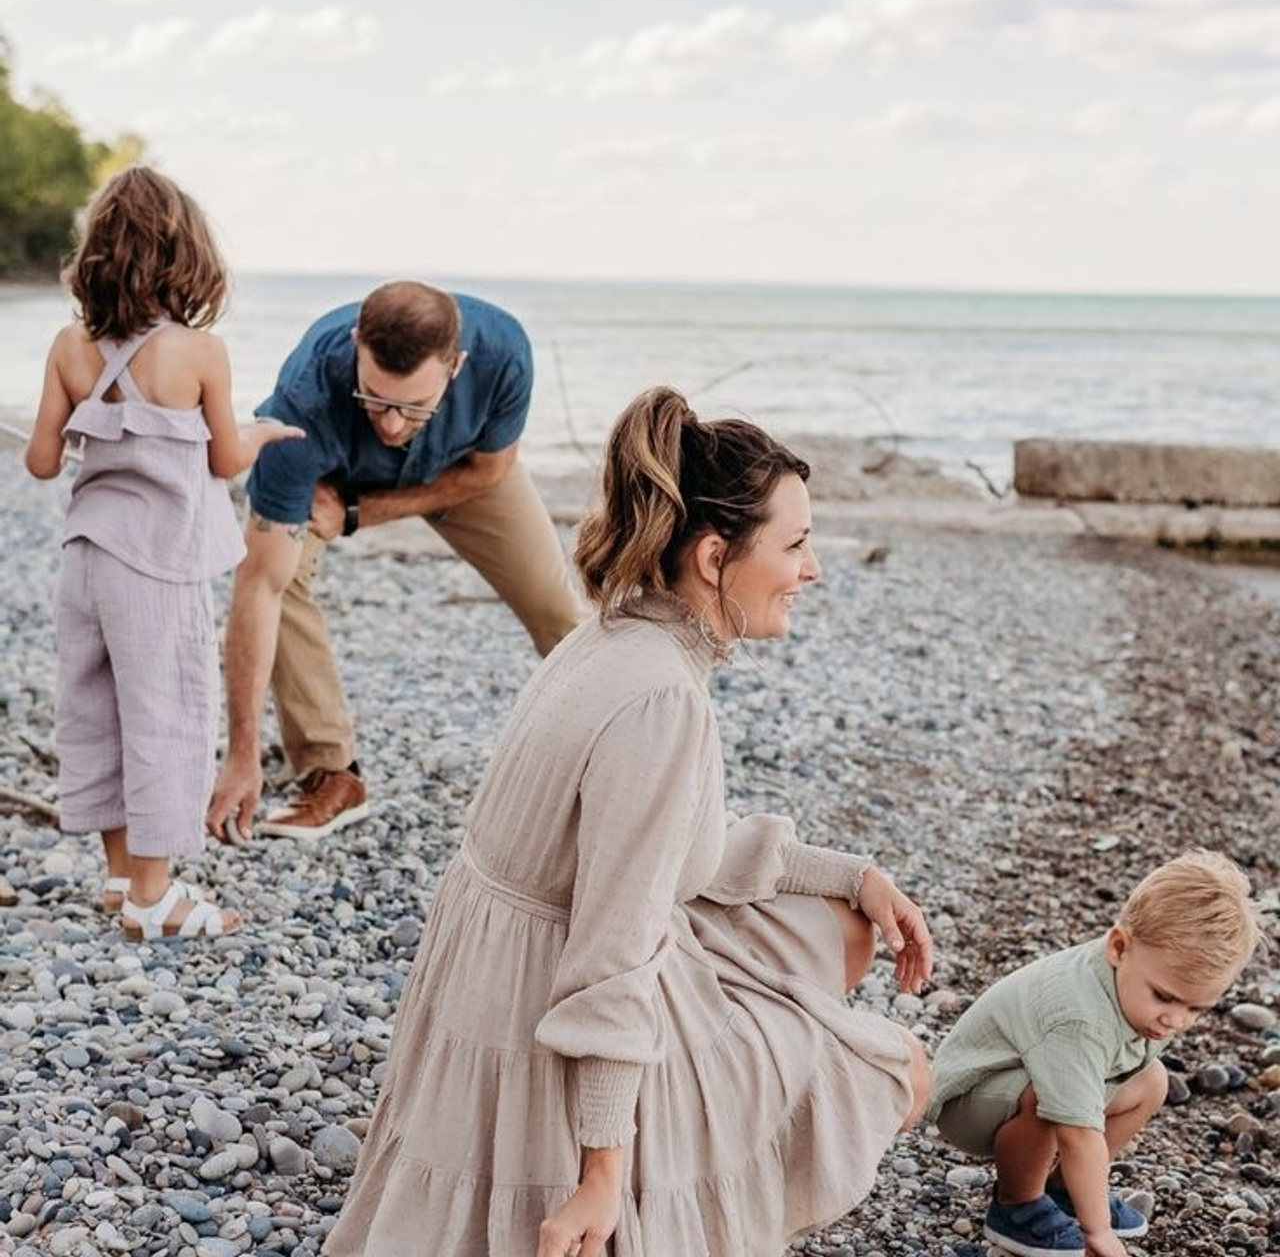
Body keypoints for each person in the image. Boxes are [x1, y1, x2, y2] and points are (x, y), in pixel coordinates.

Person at [322, 386, 934, 1257]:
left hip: (501, 958)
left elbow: (682, 843)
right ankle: (669, 1188)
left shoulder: (614, 632)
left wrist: (855, 879)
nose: (814, 569)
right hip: (543, 995)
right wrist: (603, 1172)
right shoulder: (659, 699)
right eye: (796, 544)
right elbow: (612, 955)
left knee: (843, 929)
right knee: (897, 1072)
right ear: (716, 557)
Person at [25, 165, 303, 940]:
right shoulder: (199, 353)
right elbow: (223, 462)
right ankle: (154, 897)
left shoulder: (69, 348)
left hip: (86, 560)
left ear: (97, 257)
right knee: (166, 715)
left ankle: (121, 877)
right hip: (158, 565)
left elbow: (43, 463)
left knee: (98, 710)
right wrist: (259, 434)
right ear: (185, 256)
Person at [205, 280, 582, 842]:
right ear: (357, 343)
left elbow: (489, 471)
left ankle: (614, 743)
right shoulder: (301, 405)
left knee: (556, 604)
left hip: (461, 473)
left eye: (412, 407)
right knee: (280, 582)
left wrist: (359, 512)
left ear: (455, 366)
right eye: (375, 400)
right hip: (331, 473)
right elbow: (259, 587)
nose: (390, 425)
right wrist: (241, 755)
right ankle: (331, 773)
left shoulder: (504, 354)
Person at [927, 848, 1263, 1257]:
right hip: (967, 1102)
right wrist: (1099, 1233)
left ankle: (1064, 1188)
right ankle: (1016, 1205)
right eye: (1165, 997)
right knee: (1051, 1102)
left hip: (1028, 1077)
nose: (1177, 1020)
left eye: (1196, 1008)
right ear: (1118, 947)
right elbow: (1078, 1131)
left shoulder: (1136, 976)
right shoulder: (1079, 1019)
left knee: (1152, 1080)